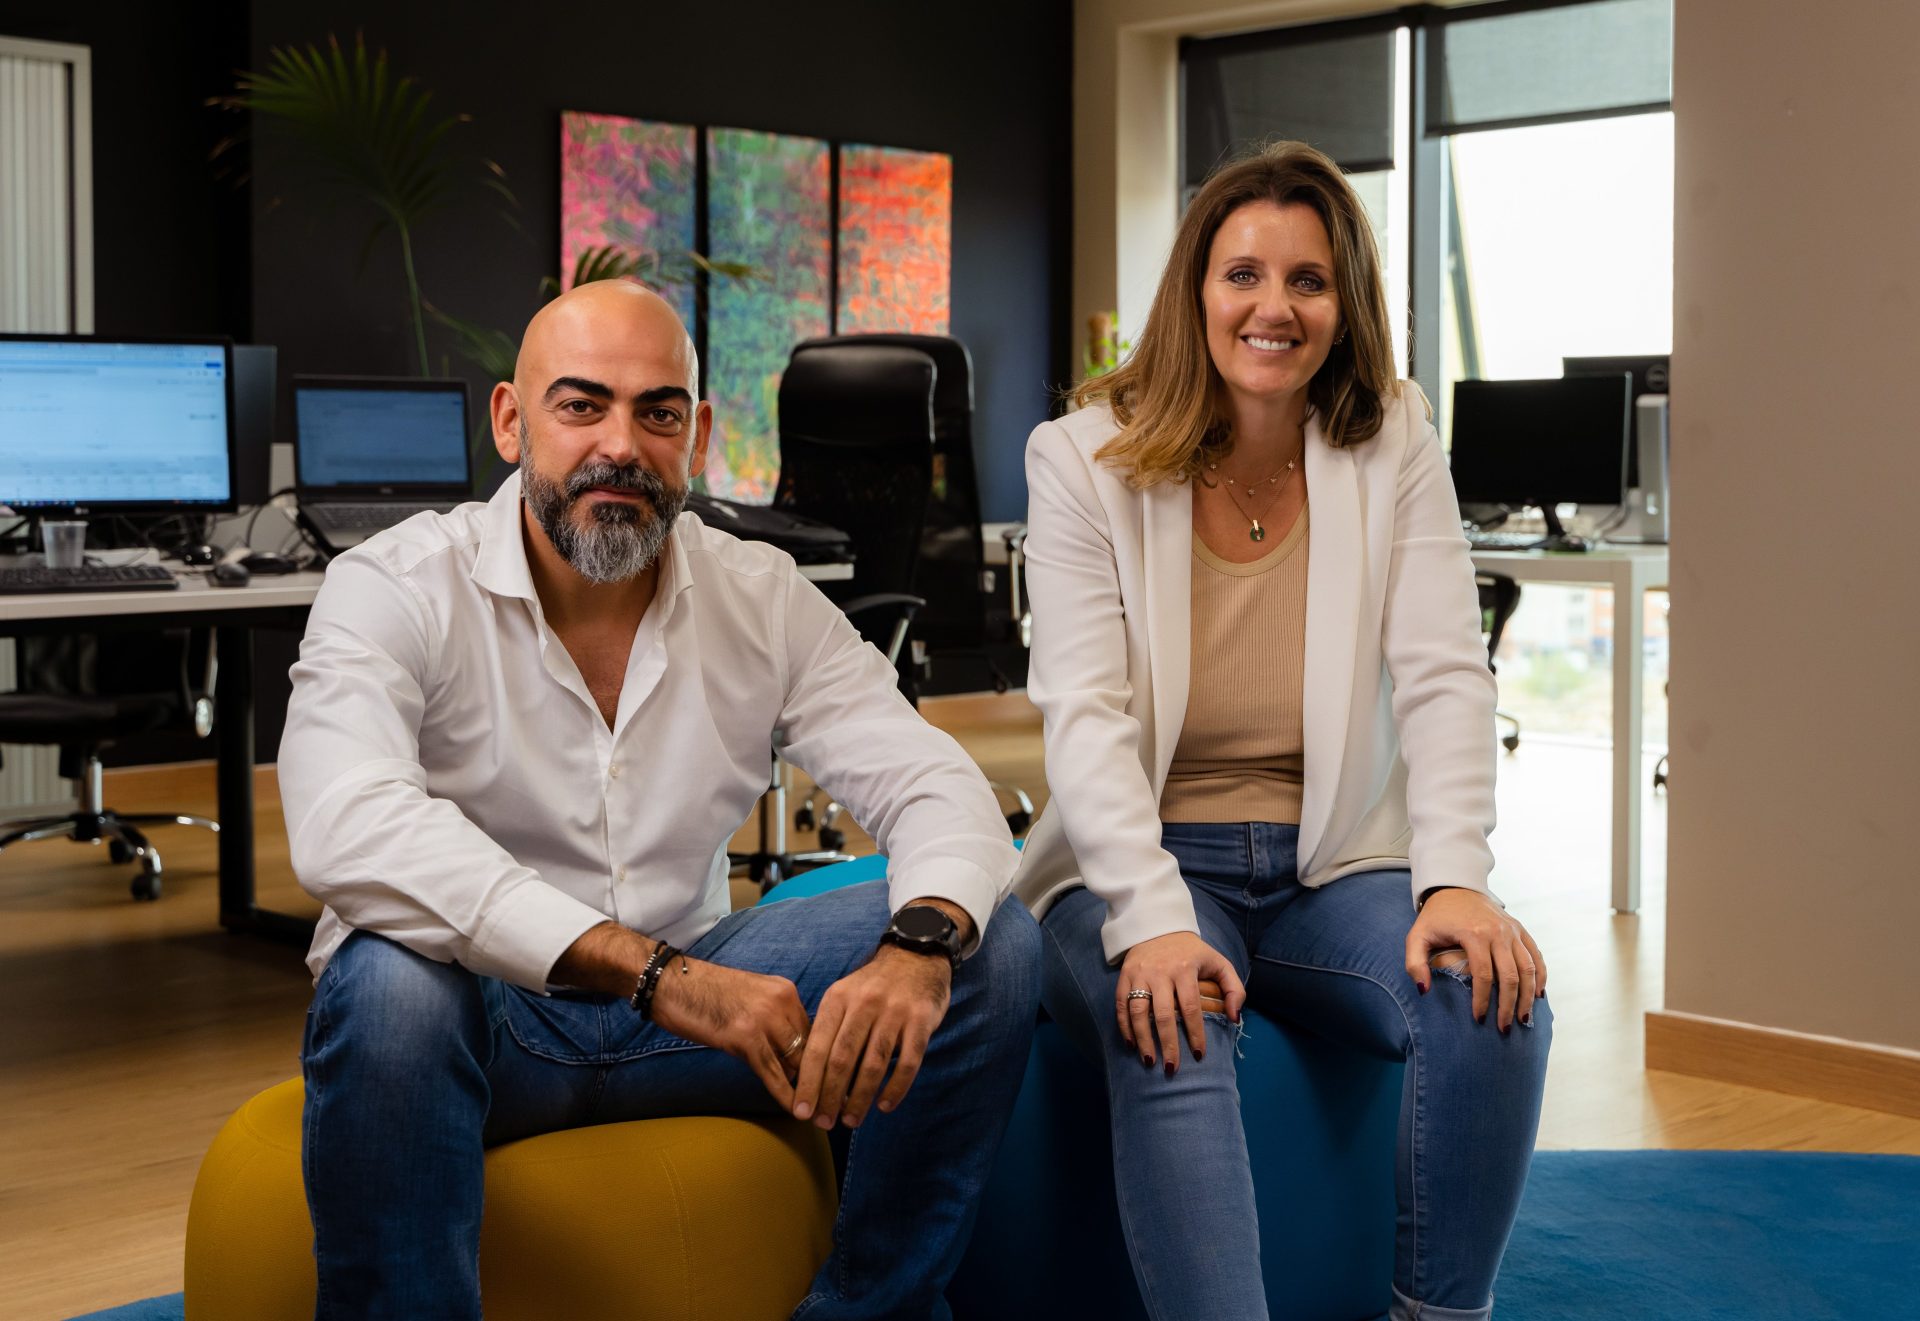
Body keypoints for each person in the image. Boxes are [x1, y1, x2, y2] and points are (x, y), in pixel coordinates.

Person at [280, 279, 1039, 1321]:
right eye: (581, 405)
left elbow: (935, 779)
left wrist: (918, 944)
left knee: (988, 942)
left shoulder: (759, 593)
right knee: (388, 985)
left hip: (696, 1027)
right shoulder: (395, 584)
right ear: (511, 420)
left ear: (700, 435)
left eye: (659, 413)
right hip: (490, 1023)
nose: (622, 446)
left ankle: (874, 1308)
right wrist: (649, 970)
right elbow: (345, 822)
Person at [1011, 141, 1552, 1321]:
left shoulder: (1392, 436)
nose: (1275, 307)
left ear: (1344, 305)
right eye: (1244, 274)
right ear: (1196, 291)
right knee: (1173, 1019)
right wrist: (1151, 920)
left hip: (1333, 863)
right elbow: (1084, 715)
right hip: (1142, 858)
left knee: (1492, 996)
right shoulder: (1081, 457)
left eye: (1309, 280)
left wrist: (1457, 881)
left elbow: (1446, 673)